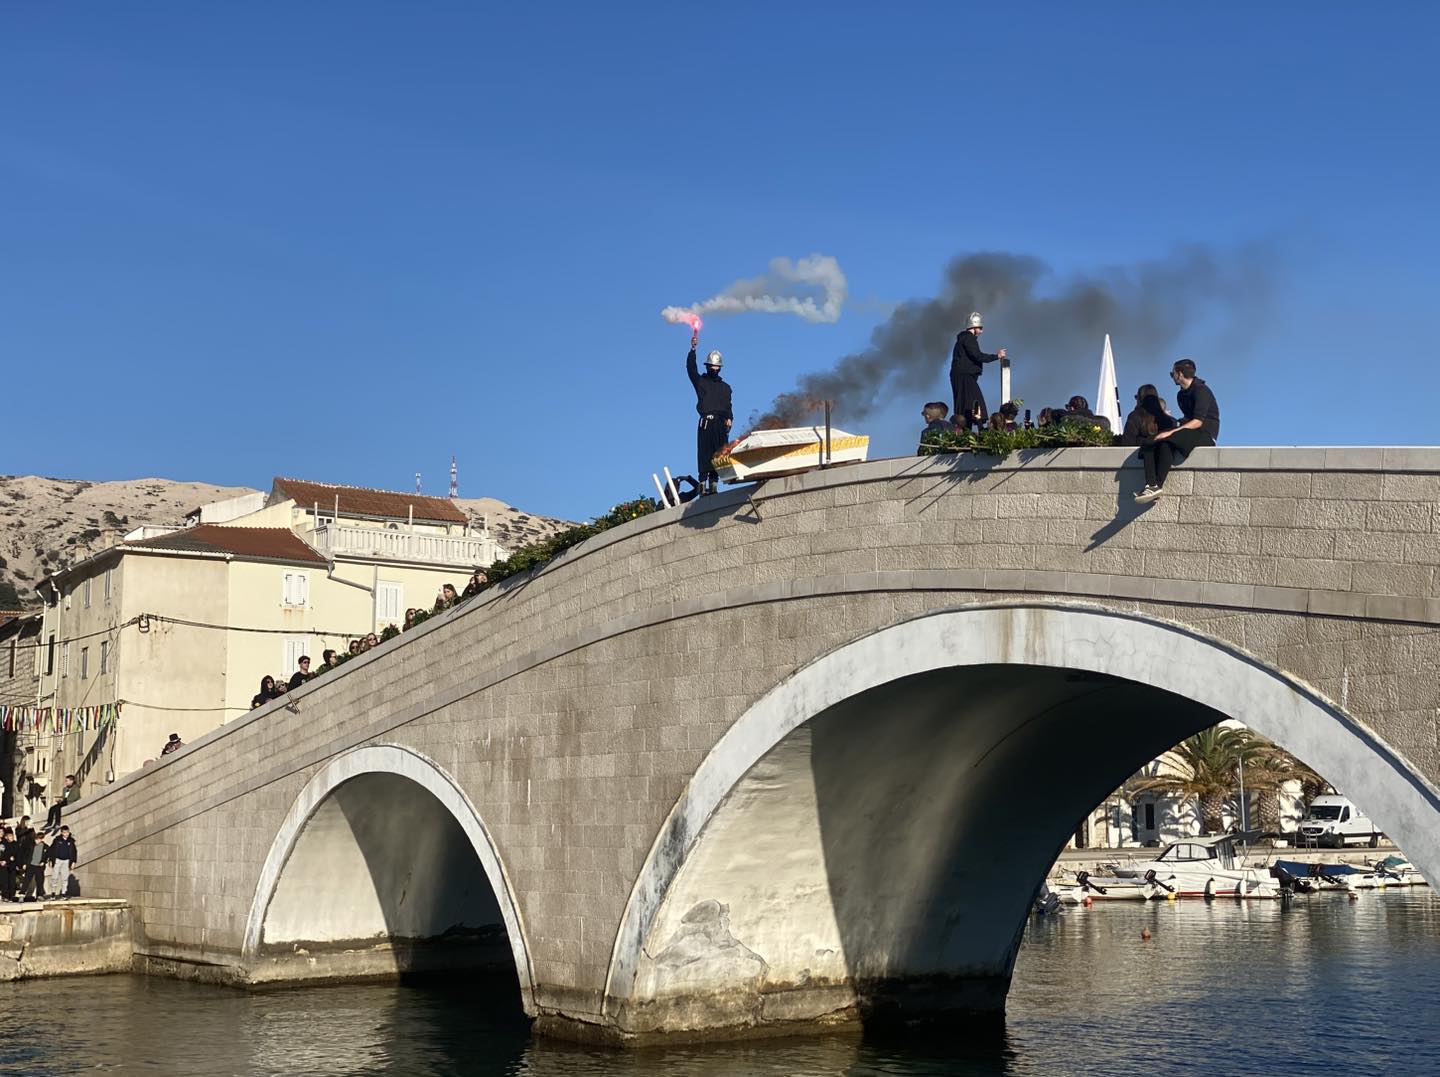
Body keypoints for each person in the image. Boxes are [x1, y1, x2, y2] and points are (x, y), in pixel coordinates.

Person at [1135, 358, 1220, 503]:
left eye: (1172, 374)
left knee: (1167, 439)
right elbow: (1188, 419)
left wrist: (1171, 432)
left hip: (1205, 434)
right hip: (1190, 431)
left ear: (1179, 374)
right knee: (1151, 441)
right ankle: (1151, 485)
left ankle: (1157, 485)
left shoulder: (1201, 391)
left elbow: (1198, 421)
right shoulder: (1181, 395)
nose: (1172, 377)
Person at [685, 326, 733, 495]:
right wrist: (693, 350)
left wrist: (730, 418)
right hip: (706, 422)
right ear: (707, 366)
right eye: (711, 366)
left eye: (716, 367)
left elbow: (728, 406)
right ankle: (702, 484)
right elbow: (691, 370)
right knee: (705, 454)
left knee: (719, 455)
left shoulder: (726, 388)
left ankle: (714, 484)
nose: (713, 369)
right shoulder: (701, 382)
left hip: (721, 424)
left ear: (720, 368)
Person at [950, 311, 1006, 430]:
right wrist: (997, 356)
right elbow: (977, 356)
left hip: (961, 376)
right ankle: (970, 426)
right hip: (965, 376)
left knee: (965, 405)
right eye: (980, 328)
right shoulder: (969, 339)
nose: (981, 331)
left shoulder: (962, 339)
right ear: (974, 326)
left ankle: (965, 428)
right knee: (974, 404)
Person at [45, 825, 76, 901]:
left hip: (66, 861)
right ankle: (53, 893)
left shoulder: (71, 841)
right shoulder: (57, 840)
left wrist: (73, 862)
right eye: (64, 832)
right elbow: (51, 850)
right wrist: (50, 860)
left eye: (67, 832)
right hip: (57, 860)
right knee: (54, 877)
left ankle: (63, 893)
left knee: (65, 878)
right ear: (61, 833)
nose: (66, 834)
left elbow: (74, 852)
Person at [21, 827, 46, 900]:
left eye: (39, 839)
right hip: (31, 865)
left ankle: (40, 895)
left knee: (40, 881)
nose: (37, 841)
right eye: (36, 839)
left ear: (42, 839)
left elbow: (47, 855)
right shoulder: (31, 845)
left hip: (39, 866)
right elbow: (25, 855)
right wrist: (24, 863)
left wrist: (44, 862)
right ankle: (22, 894)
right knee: (26, 880)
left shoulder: (45, 846)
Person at [0, 826, 14, 902]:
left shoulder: (5, 842)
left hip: (4, 864)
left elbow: (9, 853)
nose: (1, 833)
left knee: (5, 880)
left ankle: (5, 896)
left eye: (2, 832)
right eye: (0, 831)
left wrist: (5, 861)